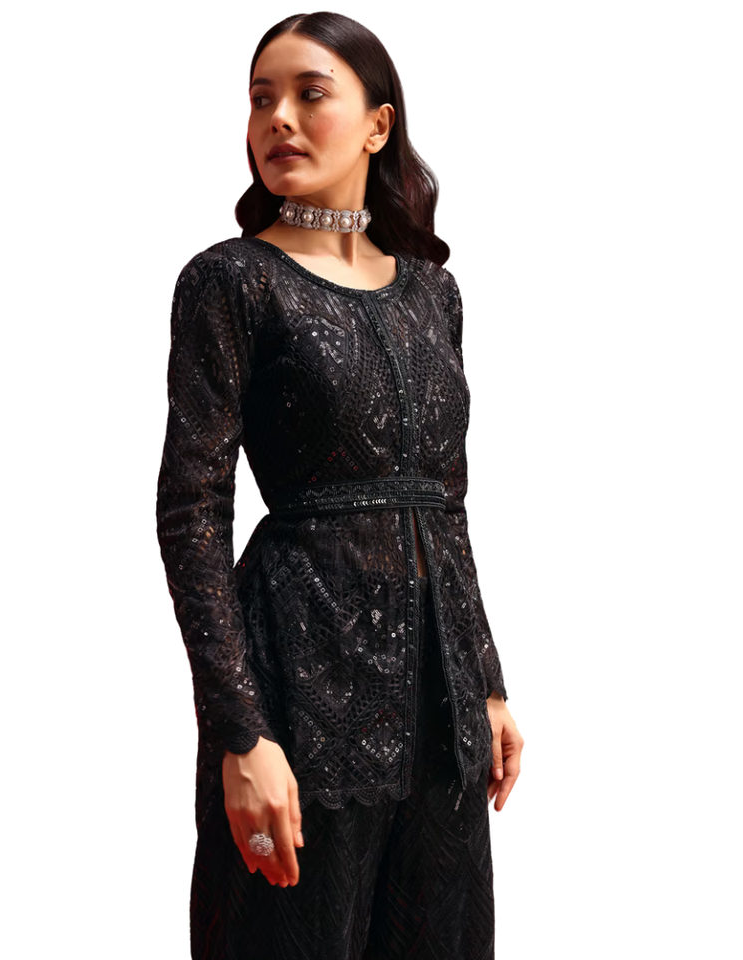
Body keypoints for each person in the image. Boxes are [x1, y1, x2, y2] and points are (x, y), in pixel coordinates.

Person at [155, 12, 524, 959]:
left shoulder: (432, 291)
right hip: (298, 688)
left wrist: (485, 681)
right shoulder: (231, 282)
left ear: (377, 125)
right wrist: (241, 735)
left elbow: (446, 503)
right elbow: (191, 510)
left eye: (308, 93)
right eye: (260, 99)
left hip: (439, 706)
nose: (277, 117)